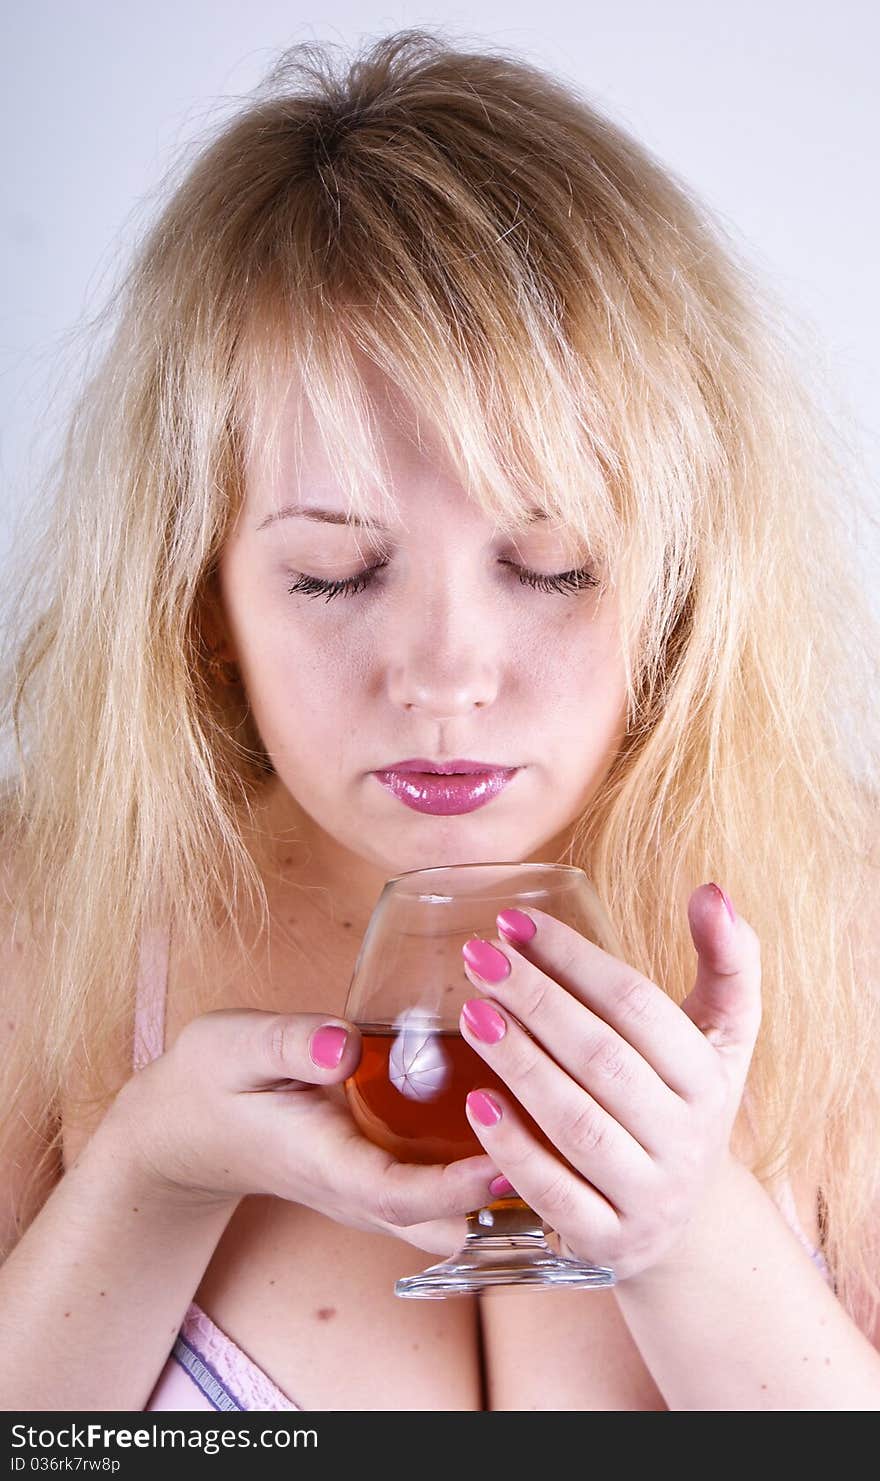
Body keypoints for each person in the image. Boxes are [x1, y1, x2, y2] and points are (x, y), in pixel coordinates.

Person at [0, 27, 879, 1412]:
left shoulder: (848, 924)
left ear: (680, 584)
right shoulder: (52, 924)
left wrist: (686, 1231)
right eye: (336, 573)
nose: (447, 674)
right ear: (202, 599)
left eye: (551, 566)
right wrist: (143, 1176)